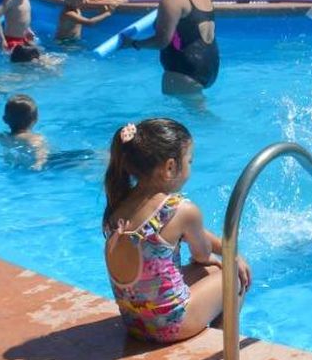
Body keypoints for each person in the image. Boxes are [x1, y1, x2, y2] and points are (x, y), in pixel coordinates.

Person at [102, 118, 252, 344]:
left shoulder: (119, 203)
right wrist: (229, 259)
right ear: (170, 167)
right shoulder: (181, 210)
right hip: (169, 326)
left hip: (135, 322)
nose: (190, 168)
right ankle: (222, 347)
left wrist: (229, 251)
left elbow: (190, 235)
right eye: (189, 161)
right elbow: (201, 254)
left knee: (211, 271)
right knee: (234, 276)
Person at [125, 0, 219, 96]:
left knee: (192, 116)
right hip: (209, 64)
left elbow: (161, 41)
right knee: (195, 112)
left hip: (184, 69)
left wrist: (133, 44)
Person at [0, 94, 48, 170]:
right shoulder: (34, 138)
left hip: (11, 168)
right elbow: (41, 153)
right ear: (36, 119)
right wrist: (38, 164)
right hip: (29, 169)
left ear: (5, 119)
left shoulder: (1, 137)